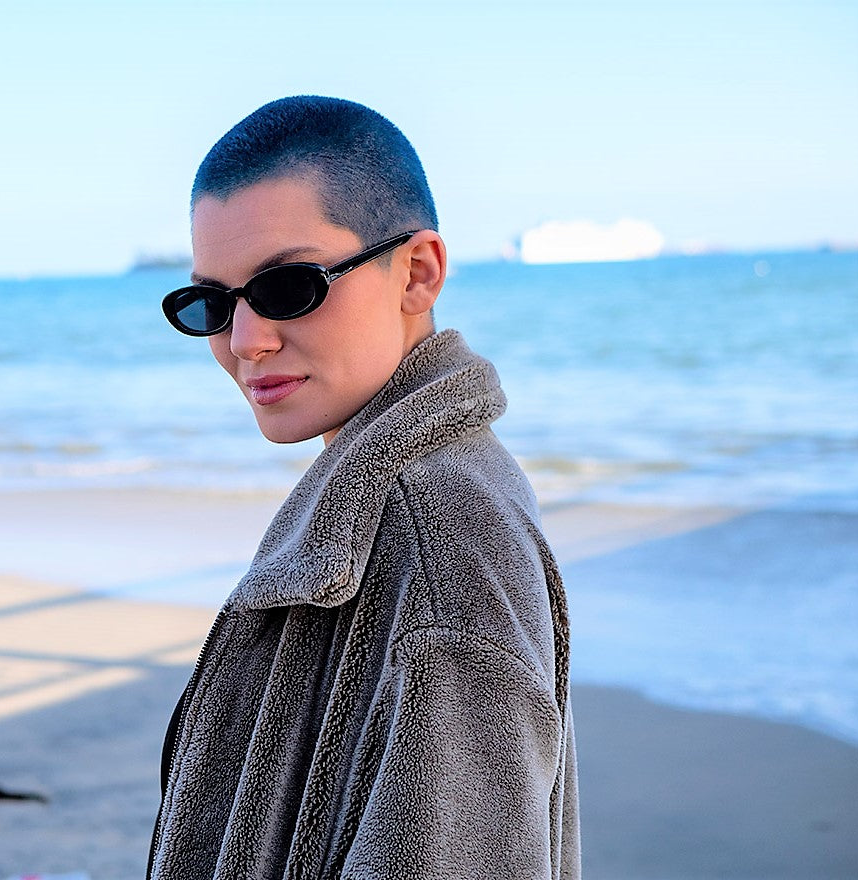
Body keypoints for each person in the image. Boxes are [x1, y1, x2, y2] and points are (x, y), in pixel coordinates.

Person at [150, 95, 580, 879]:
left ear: (416, 273)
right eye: (211, 303)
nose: (245, 341)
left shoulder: (442, 541)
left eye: (288, 288)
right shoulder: (400, 499)